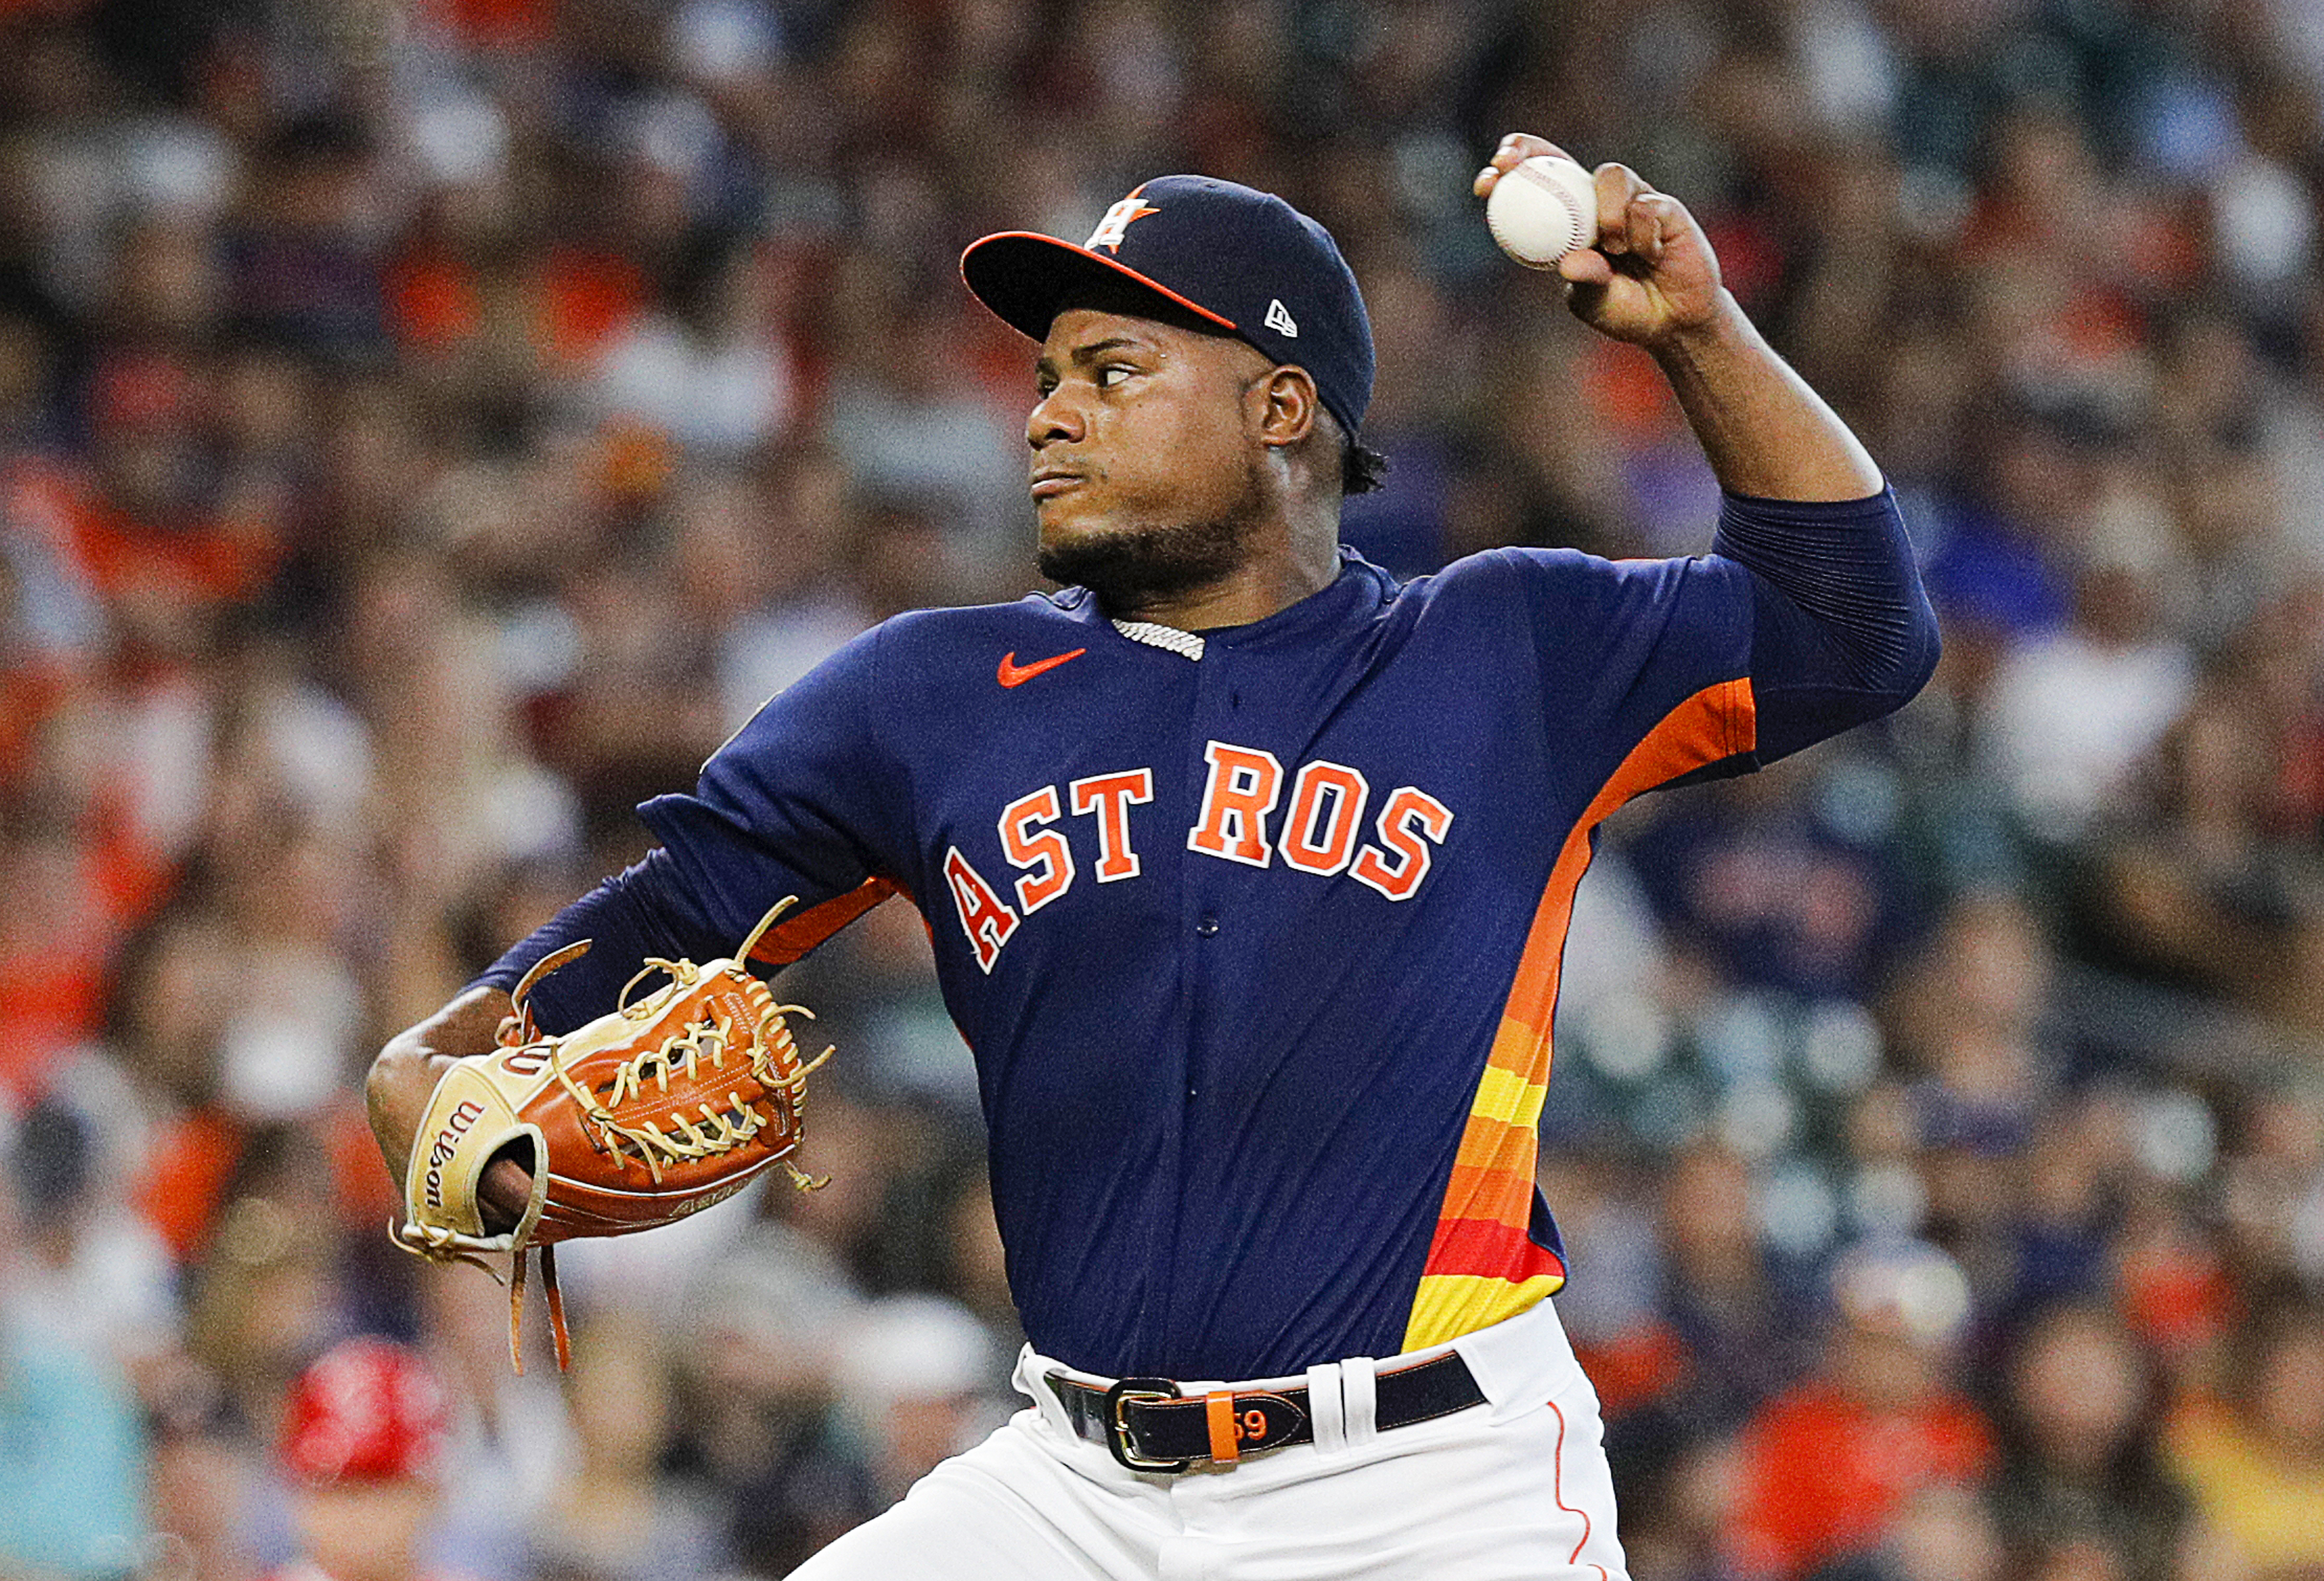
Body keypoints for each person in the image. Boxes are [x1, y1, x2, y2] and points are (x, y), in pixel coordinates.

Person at [368, 133, 1938, 1579]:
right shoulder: (929, 695)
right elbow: (682, 912)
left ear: (1277, 409)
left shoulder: (1504, 650)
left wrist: (1698, 333)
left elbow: (1853, 628)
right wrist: (460, 1046)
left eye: (1113, 371)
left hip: (1427, 1489)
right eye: (1048, 376)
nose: (1048, 411)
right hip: (1074, 1486)